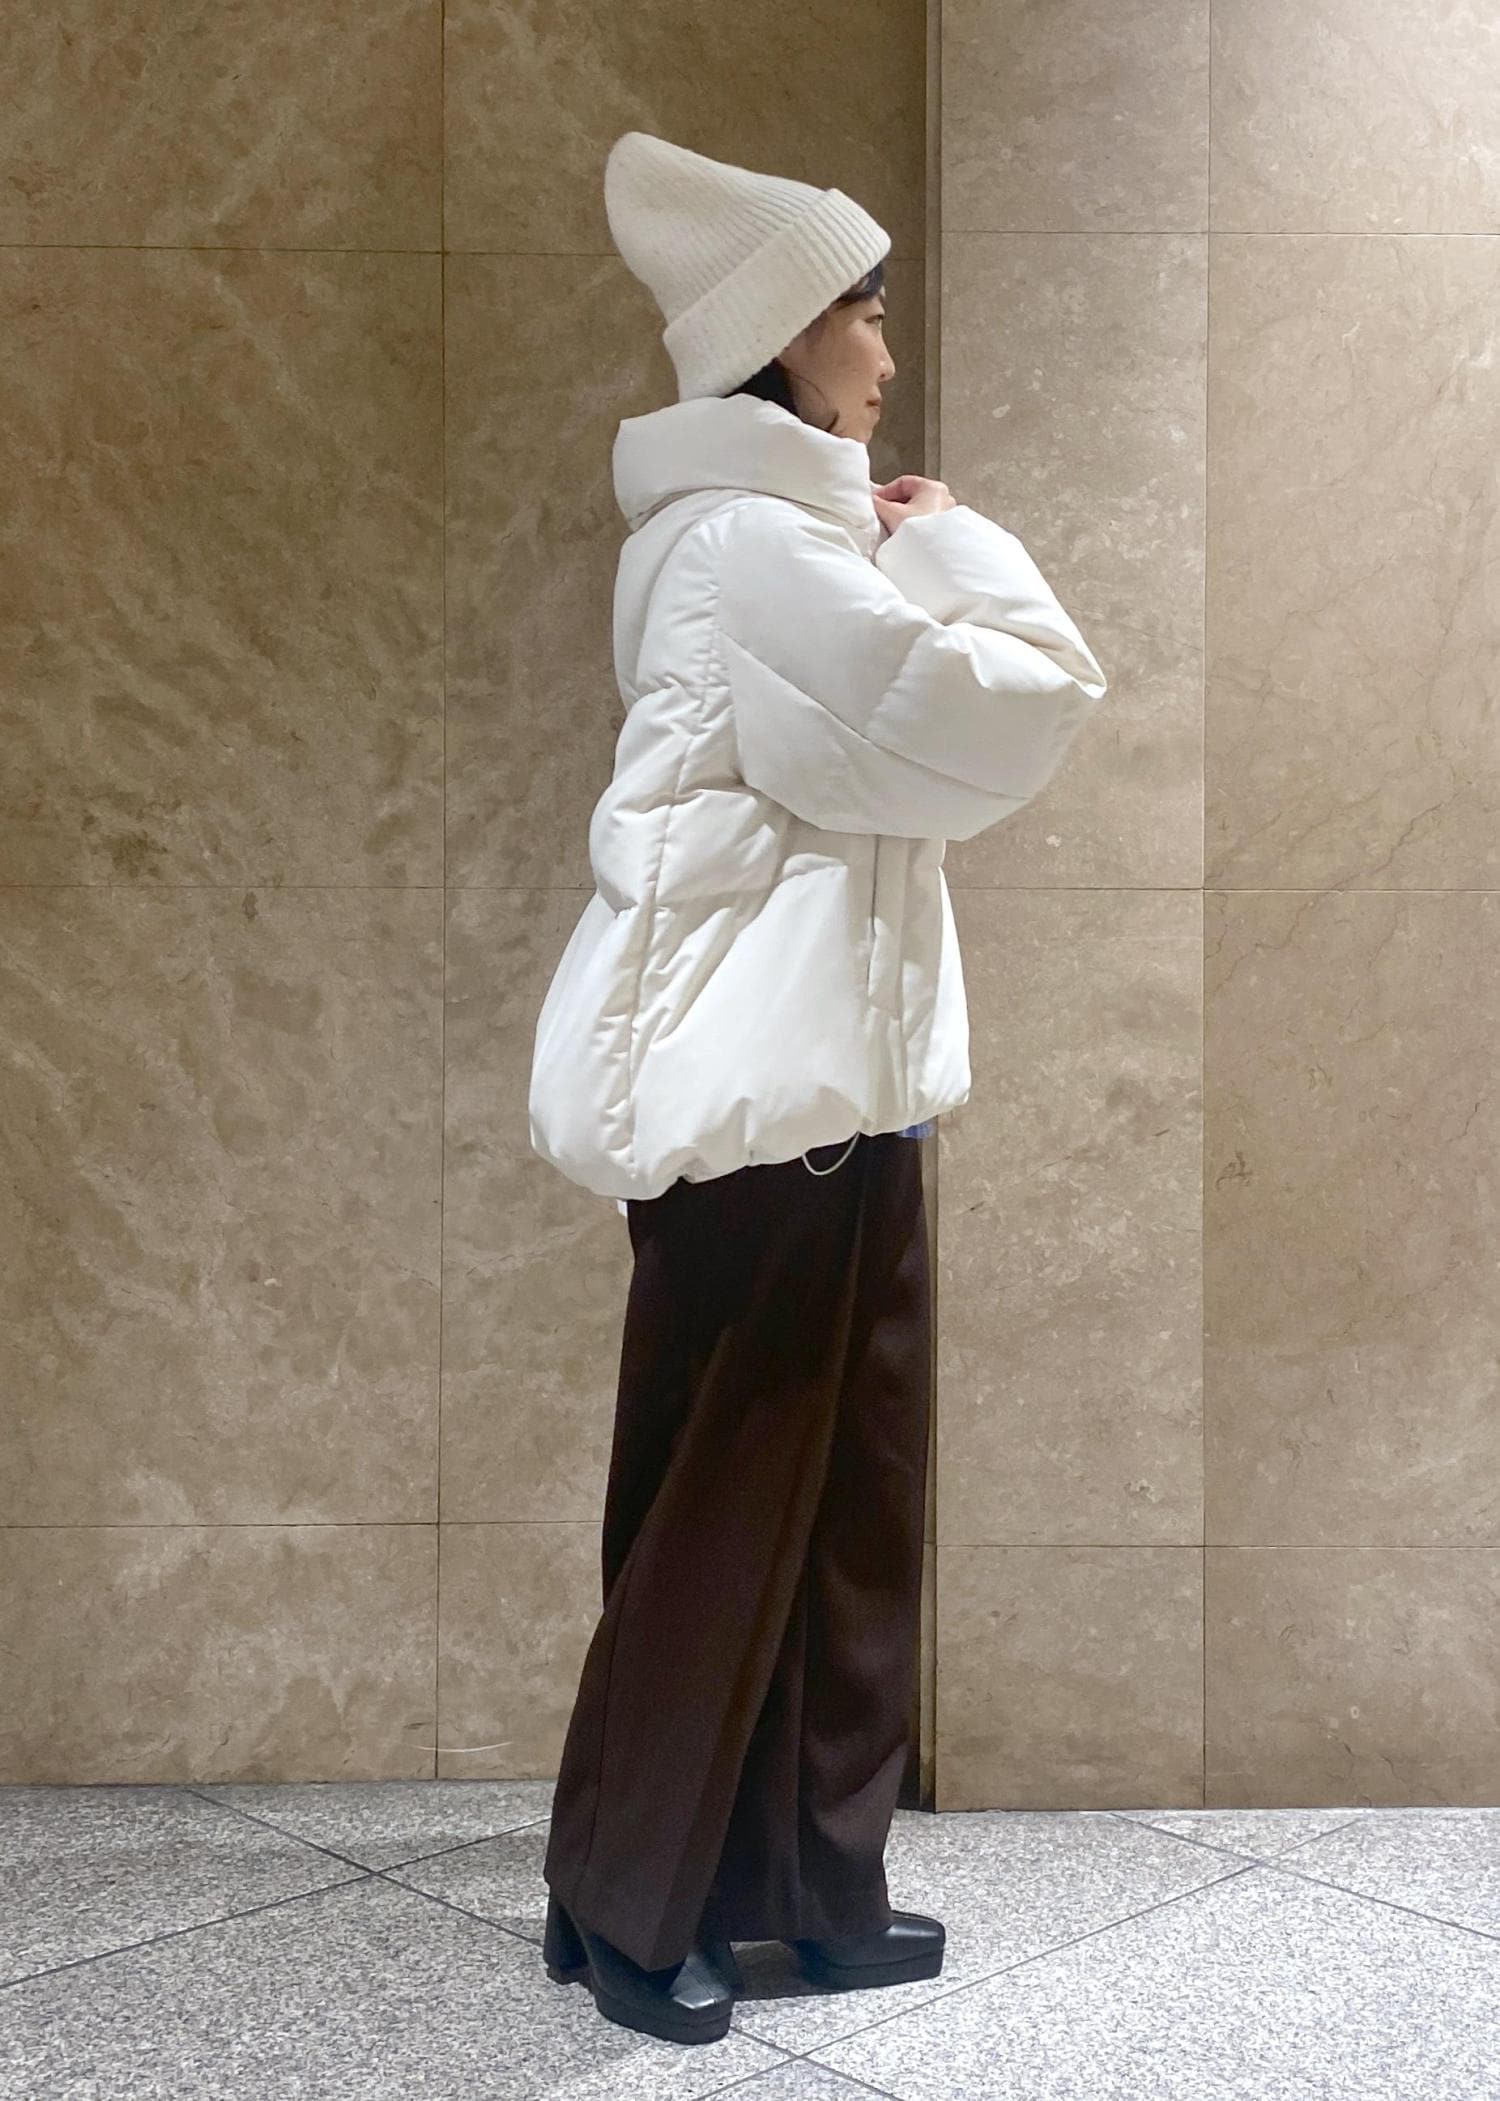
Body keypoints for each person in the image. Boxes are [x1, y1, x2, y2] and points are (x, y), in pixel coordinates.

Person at [527, 129, 1108, 2047]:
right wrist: (951, 545)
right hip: (761, 1107)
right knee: (728, 1502)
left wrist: (894, 545)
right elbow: (1006, 713)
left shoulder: (788, 543)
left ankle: (802, 1887)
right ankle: (630, 1900)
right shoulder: (760, 552)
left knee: (843, 1494)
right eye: (862, 311)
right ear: (788, 337)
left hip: (833, 1100)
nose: (883, 347)